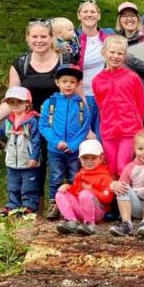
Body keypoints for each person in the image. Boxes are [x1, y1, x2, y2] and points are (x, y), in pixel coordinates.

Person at [38, 64, 94, 219]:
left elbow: (84, 128)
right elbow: (43, 126)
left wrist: (73, 145)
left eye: (72, 82)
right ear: (57, 83)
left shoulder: (81, 105)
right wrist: (57, 142)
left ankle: (73, 205)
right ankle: (54, 205)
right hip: (55, 150)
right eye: (64, 81)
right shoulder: (51, 103)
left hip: (74, 151)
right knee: (56, 177)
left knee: (74, 177)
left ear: (77, 84)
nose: (68, 85)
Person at [0, 86, 43, 215]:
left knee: (28, 186)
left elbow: (36, 141)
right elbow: (1, 133)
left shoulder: (32, 121)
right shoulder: (9, 120)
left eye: (19, 102)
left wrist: (34, 157)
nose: (15, 105)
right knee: (12, 184)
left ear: (27, 103)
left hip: (28, 160)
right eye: (11, 102)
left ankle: (28, 207)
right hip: (12, 160)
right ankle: (12, 205)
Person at [92, 35, 144, 178]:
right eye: (112, 52)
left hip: (129, 130)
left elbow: (140, 104)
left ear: (125, 56)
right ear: (104, 52)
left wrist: (138, 128)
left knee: (123, 167)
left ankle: (126, 199)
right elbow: (100, 106)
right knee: (111, 168)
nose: (115, 56)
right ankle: (112, 200)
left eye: (120, 53)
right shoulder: (97, 80)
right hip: (109, 131)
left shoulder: (132, 77)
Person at [54, 139, 114, 236]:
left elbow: (108, 199)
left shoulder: (105, 176)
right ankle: (72, 221)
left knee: (85, 194)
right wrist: (68, 187)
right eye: (85, 158)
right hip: (81, 209)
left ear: (101, 158)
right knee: (60, 193)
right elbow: (76, 191)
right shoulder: (80, 174)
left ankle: (90, 224)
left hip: (97, 213)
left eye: (93, 158)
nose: (89, 161)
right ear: (80, 159)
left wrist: (91, 190)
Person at [75, 0, 115, 107]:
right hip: (80, 95)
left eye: (93, 12)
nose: (89, 15)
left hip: (106, 94)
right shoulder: (72, 39)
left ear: (99, 15)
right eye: (85, 12)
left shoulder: (110, 35)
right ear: (79, 15)